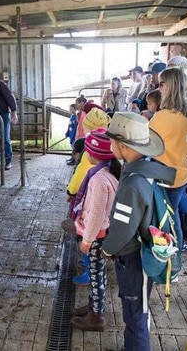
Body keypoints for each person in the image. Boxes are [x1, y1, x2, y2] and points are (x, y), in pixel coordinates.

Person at [102, 112, 176, 351]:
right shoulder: (149, 170)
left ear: (122, 146)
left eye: (112, 142)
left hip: (133, 257)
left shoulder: (133, 183)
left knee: (135, 313)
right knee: (137, 309)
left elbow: (123, 228)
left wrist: (108, 248)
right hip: (142, 250)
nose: (111, 146)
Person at [69, 129, 120, 331]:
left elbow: (97, 214)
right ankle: (93, 306)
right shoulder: (109, 171)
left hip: (97, 235)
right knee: (97, 272)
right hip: (102, 232)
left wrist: (87, 240)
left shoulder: (99, 180)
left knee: (96, 274)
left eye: (87, 151)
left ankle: (96, 317)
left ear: (93, 154)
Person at [149, 67, 187, 250]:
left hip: (168, 176)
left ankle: (174, 255)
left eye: (162, 84)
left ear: (171, 87)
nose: (159, 87)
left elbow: (148, 143)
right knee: (183, 203)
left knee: (169, 217)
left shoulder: (164, 116)